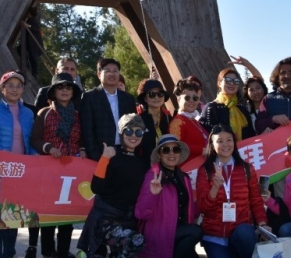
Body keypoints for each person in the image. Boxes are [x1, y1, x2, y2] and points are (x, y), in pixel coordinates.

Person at [0, 71, 36, 258]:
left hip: (20, 171)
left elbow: (31, 140)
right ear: (2, 89)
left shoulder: (28, 113)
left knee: (13, 213)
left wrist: (34, 157)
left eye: (19, 86)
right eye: (10, 85)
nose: (15, 89)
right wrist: (1, 152)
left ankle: (10, 252)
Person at [78, 114, 148, 258]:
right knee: (135, 242)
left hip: (128, 219)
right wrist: (104, 159)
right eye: (129, 131)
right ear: (121, 132)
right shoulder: (111, 154)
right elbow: (96, 188)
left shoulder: (142, 161)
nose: (133, 135)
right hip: (105, 218)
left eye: (138, 131)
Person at [30, 72, 83, 258]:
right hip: (49, 169)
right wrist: (48, 147)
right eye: (60, 87)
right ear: (53, 91)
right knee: (49, 214)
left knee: (67, 214)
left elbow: (82, 139)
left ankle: (63, 251)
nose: (65, 90)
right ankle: (47, 251)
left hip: (71, 170)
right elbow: (34, 139)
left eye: (68, 87)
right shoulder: (44, 113)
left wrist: (82, 150)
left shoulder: (78, 116)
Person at [196, 124, 269, 258]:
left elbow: (256, 200)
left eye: (229, 140)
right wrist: (215, 188)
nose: (225, 144)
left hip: (240, 233)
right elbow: (203, 207)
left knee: (246, 232)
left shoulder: (247, 169)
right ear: (212, 144)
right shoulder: (205, 171)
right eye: (220, 141)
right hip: (214, 237)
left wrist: (262, 223)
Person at [135, 134, 202, 258]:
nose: (171, 153)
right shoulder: (153, 176)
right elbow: (141, 213)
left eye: (175, 149)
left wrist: (211, 196)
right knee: (196, 231)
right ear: (159, 155)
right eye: (166, 150)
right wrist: (153, 195)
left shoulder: (183, 177)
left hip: (179, 234)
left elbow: (189, 209)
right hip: (160, 236)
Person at [80, 58, 137, 161]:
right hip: (100, 153)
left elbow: (134, 126)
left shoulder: (128, 99)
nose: (112, 74)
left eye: (115, 71)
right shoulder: (89, 97)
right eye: (107, 71)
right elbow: (87, 130)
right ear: (99, 74)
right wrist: (95, 155)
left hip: (124, 151)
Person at [199, 68, 255, 141]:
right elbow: (206, 137)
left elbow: (251, 135)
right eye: (228, 80)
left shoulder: (242, 108)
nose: (232, 83)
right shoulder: (211, 108)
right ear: (219, 83)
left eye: (236, 81)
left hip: (245, 150)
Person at [168, 79, 207, 165]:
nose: (191, 100)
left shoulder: (195, 120)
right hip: (188, 171)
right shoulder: (177, 123)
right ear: (178, 100)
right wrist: (201, 150)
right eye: (187, 97)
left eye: (195, 98)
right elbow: (175, 147)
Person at [135, 79, 172, 165]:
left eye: (160, 94)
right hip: (145, 167)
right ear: (145, 98)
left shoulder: (170, 119)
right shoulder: (138, 120)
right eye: (151, 94)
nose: (156, 97)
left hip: (168, 166)